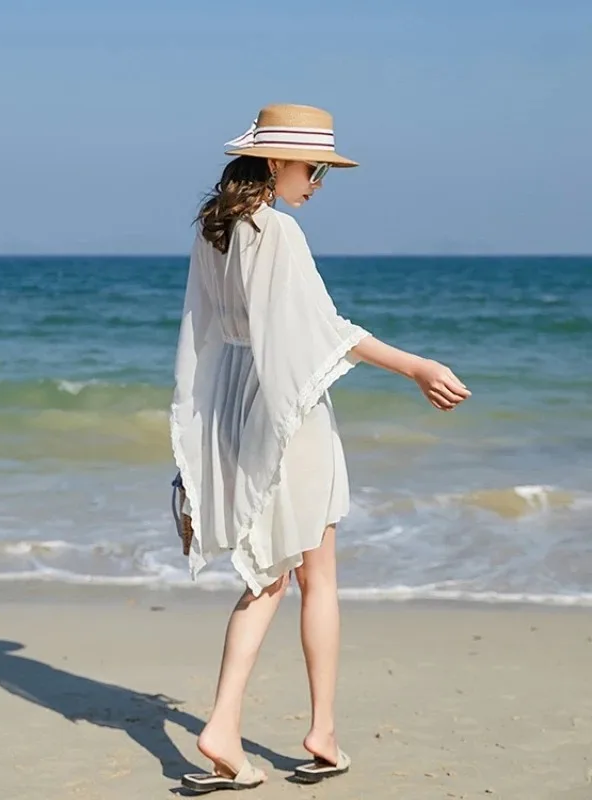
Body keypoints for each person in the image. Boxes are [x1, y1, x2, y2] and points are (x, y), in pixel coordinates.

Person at [170, 103, 471, 793]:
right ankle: (318, 730)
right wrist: (417, 366)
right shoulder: (278, 231)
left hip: (239, 407)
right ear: (276, 162)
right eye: (314, 169)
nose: (318, 183)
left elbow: (205, 340)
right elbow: (327, 332)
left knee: (265, 576)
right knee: (316, 576)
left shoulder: (216, 231)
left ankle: (227, 723)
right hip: (288, 409)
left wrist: (195, 443)